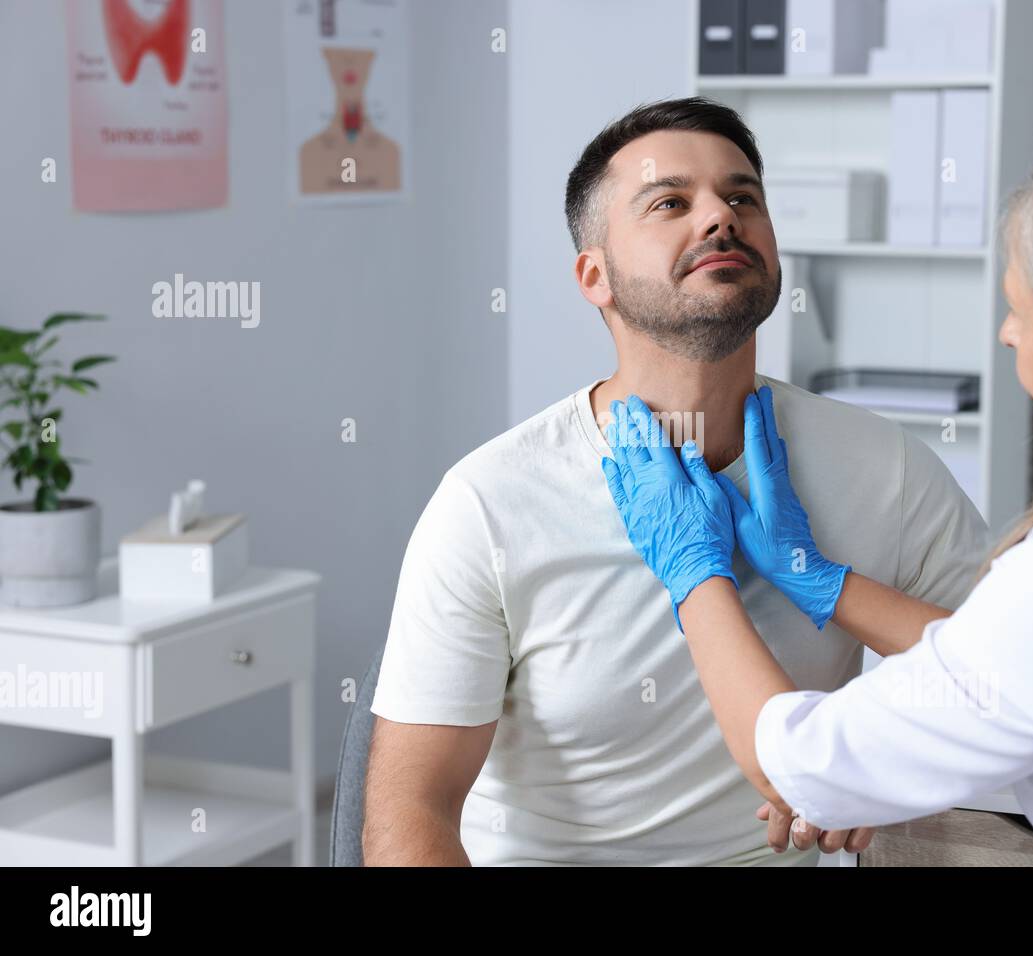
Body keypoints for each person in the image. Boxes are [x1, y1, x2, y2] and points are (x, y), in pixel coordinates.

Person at [602, 128, 1033, 865]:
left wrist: (695, 571)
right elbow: (1009, 670)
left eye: (1022, 310)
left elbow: (799, 763)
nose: (1005, 336)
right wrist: (816, 577)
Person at [363, 97, 988, 866]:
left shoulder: (884, 467)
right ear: (596, 275)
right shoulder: (490, 503)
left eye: (742, 197)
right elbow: (410, 809)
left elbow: (1006, 686)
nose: (719, 218)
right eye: (670, 202)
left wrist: (878, 765)